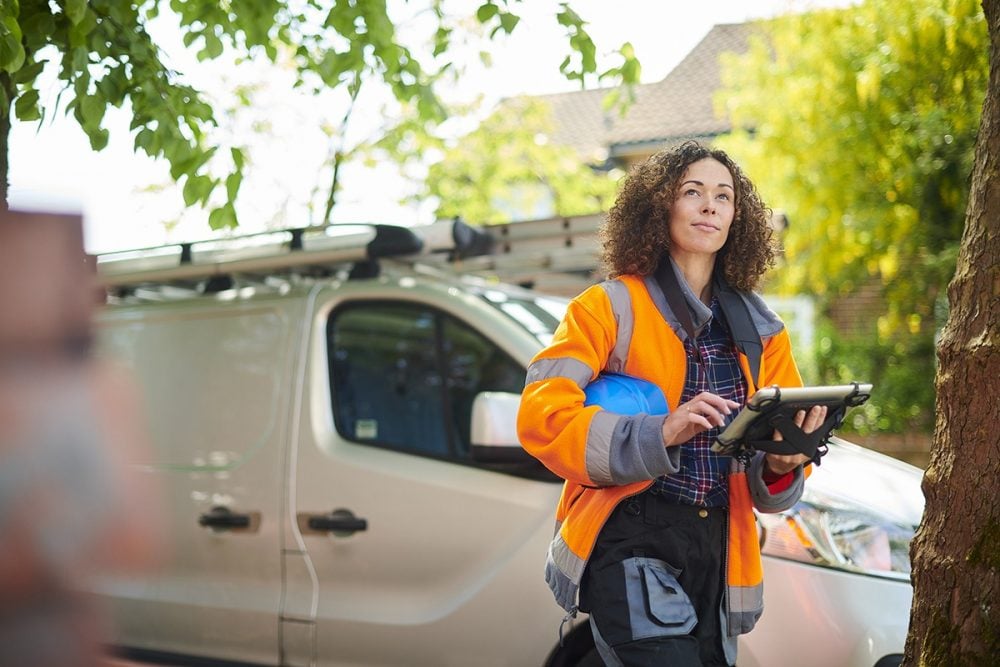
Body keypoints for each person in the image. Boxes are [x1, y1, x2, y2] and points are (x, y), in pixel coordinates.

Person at [517, 141, 827, 666]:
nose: (710, 205)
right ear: (660, 207)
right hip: (630, 534)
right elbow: (542, 416)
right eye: (693, 192)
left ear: (737, 218)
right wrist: (659, 432)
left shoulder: (765, 333)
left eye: (724, 196)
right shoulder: (606, 308)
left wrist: (783, 462)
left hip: (719, 542)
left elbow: (772, 487)